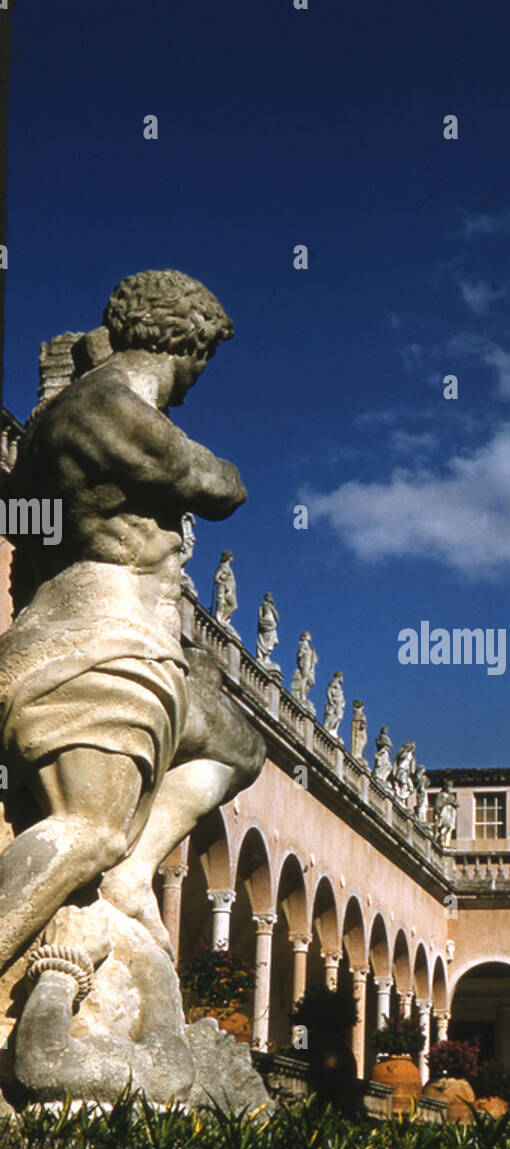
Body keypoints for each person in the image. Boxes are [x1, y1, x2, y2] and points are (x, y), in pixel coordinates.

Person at [0, 269, 250, 971]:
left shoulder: (87, 405)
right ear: (188, 344)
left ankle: (130, 878)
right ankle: (110, 869)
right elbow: (222, 485)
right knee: (88, 829)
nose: (199, 377)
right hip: (98, 639)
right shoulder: (104, 408)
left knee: (238, 746)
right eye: (203, 358)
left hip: (138, 641)